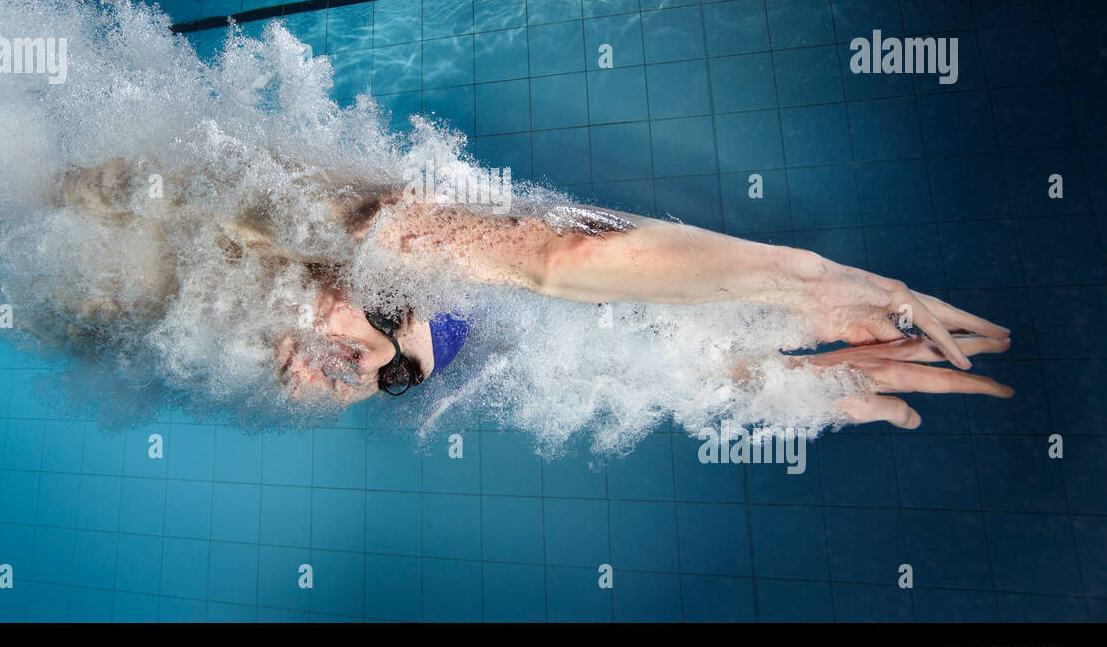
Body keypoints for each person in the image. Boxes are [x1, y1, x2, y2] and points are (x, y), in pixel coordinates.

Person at [226, 178, 1013, 428]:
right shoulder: (258, 243)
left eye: (394, 369)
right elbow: (560, 271)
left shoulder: (358, 232)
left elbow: (558, 260)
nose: (369, 367)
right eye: (397, 373)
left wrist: (800, 290)